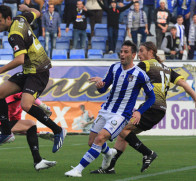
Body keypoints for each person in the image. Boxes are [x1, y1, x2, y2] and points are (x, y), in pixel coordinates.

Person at [91, 41, 196, 174]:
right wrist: (195, 98)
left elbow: (126, 75)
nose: (139, 54)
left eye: (141, 51)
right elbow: (184, 83)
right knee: (124, 134)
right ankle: (109, 167)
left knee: (121, 127)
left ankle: (148, 153)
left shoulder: (144, 65)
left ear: (150, 52)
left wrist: (104, 81)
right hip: (160, 109)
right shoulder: (166, 68)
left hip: (151, 107)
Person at [64, 40, 156, 177]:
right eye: (121, 52)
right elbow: (103, 88)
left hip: (121, 114)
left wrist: (139, 111)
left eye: (126, 52)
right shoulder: (114, 68)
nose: (122, 55)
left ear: (133, 55)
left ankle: (78, 169)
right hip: (106, 110)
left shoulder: (140, 74)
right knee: (91, 142)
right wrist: (99, 86)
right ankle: (109, 153)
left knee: (100, 139)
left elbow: (152, 97)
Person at [0, 5, 66, 153]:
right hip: (29, 70)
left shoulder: (14, 35)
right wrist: (27, 7)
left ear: (8, 19)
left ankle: (58, 130)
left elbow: (20, 59)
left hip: (38, 71)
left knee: (26, 105)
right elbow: (36, 13)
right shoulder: (21, 18)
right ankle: (6, 132)